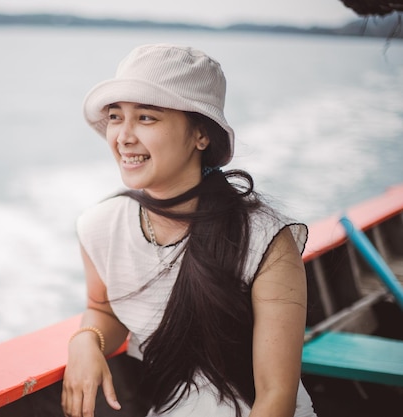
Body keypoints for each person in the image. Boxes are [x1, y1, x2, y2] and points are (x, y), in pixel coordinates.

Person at [61, 43, 317, 417]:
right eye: (116, 117)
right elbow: (104, 309)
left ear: (201, 135)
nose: (124, 136)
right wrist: (86, 340)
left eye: (147, 117)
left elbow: (276, 395)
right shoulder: (101, 226)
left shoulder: (265, 240)